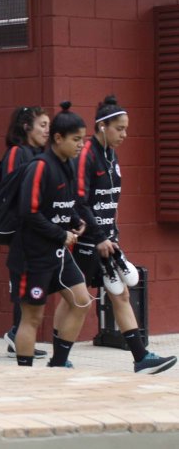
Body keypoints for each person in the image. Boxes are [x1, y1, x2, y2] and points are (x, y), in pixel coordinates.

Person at [70, 96, 176, 374]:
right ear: (102, 126)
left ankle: (141, 358)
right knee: (76, 300)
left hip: (108, 239)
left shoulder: (111, 155)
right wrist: (98, 236)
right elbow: (80, 201)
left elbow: (109, 202)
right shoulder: (87, 154)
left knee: (121, 294)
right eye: (120, 128)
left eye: (126, 128)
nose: (124, 135)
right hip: (88, 241)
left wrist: (111, 236)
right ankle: (58, 357)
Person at [10, 102, 90, 368]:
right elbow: (28, 212)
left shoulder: (68, 165)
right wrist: (60, 234)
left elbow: (65, 204)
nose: (81, 145)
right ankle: (24, 375)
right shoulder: (40, 167)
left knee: (81, 301)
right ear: (58, 138)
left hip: (58, 253)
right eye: (76, 139)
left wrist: (76, 221)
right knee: (32, 317)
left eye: (83, 139)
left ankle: (58, 364)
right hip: (33, 256)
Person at [0, 106, 51, 359]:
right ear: (26, 127)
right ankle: (17, 337)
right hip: (22, 233)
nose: (47, 130)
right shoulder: (16, 153)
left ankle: (16, 337)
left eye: (48, 125)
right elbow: (9, 193)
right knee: (23, 286)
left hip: (38, 233)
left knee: (30, 286)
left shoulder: (40, 155)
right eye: (42, 125)